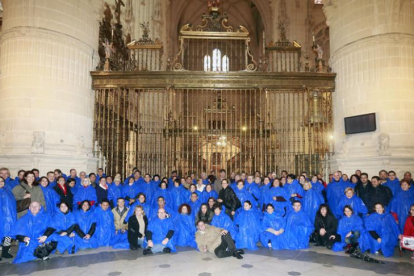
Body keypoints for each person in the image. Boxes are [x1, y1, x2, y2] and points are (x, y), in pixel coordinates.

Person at [0, 176, 17, 261]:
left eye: (2, 181)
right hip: (2, 218)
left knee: (8, 236)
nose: (1, 183)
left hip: (9, 217)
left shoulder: (7, 191)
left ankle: (5, 252)